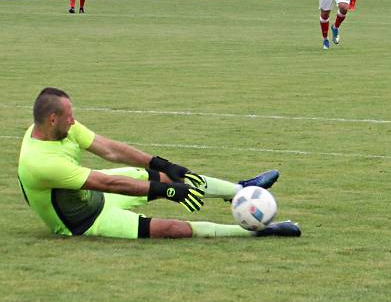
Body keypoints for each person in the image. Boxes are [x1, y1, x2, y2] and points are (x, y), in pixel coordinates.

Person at [17, 87, 301, 239]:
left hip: (95, 194)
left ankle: (239, 189)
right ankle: (256, 231)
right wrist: (164, 191)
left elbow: (111, 150)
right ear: (52, 119)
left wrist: (161, 164)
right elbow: (109, 183)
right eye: (68, 115)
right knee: (171, 229)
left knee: (162, 176)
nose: (73, 119)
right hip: (84, 221)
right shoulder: (41, 162)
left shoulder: (61, 127)